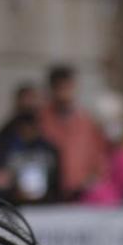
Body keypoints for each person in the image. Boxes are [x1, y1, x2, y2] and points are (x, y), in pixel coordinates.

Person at [38, 64, 108, 201]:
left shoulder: (85, 120)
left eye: (68, 87)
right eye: (61, 88)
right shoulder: (41, 120)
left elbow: (98, 154)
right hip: (50, 193)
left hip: (81, 193)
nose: (65, 93)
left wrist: (93, 177)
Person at [0, 84, 62, 205]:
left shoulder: (49, 149)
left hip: (44, 210)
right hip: (11, 208)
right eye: (24, 109)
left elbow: (58, 186)